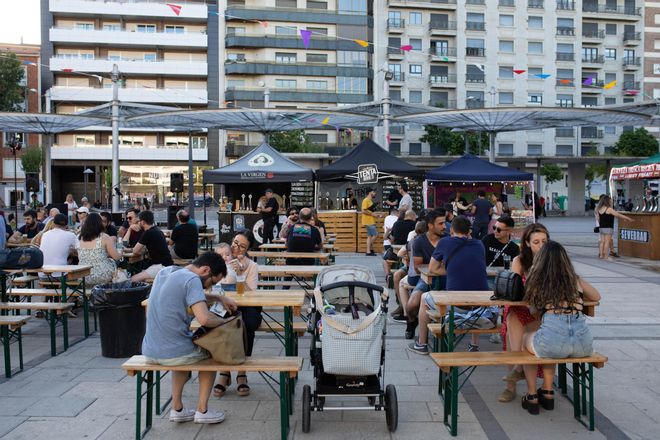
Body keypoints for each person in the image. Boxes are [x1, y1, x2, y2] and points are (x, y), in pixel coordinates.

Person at [142, 252, 235, 424]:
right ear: (205, 270)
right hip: (173, 353)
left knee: (182, 348)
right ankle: (202, 411)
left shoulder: (166, 272)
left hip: (150, 349)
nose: (208, 288)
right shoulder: (192, 280)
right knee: (211, 352)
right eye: (212, 283)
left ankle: (177, 409)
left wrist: (218, 297)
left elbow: (188, 294)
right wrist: (226, 322)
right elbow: (205, 319)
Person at [520, 241, 601, 415]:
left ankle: (532, 395)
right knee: (551, 342)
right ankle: (548, 391)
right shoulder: (574, 279)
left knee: (527, 337)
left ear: (541, 260)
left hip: (553, 344)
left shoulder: (538, 280)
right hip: (583, 346)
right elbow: (596, 296)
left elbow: (533, 311)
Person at [409, 215, 489, 355]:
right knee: (475, 289)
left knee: (424, 299)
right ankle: (474, 345)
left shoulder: (445, 242)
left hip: (457, 306)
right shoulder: (479, 244)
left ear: (452, 229)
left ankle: (422, 344)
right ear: (469, 231)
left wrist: (451, 270)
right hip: (480, 306)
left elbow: (433, 269)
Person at [498, 223, 549, 403]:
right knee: (513, 317)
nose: (541, 245)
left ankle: (529, 388)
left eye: (544, 241)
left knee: (527, 332)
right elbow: (514, 290)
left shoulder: (552, 261)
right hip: (521, 308)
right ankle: (512, 385)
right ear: (527, 243)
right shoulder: (519, 261)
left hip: (542, 312)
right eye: (536, 242)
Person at [212, 231, 260, 398]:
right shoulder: (220, 259)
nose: (236, 247)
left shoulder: (252, 266)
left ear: (247, 250)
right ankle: (224, 371)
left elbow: (252, 294)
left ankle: (241, 372)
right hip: (223, 304)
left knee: (248, 325)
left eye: (242, 246)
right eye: (235, 242)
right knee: (222, 324)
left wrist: (239, 274)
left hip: (247, 306)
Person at [401, 209, 446, 340]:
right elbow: (417, 268)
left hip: (446, 280)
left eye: (444, 223)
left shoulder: (447, 239)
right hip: (426, 280)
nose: (444, 226)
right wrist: (437, 267)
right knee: (411, 305)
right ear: (431, 225)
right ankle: (411, 322)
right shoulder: (419, 241)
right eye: (441, 224)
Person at [77, 213, 122, 286]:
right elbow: (117, 257)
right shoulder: (104, 237)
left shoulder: (79, 237)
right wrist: (121, 248)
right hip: (102, 275)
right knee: (116, 263)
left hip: (83, 276)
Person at [131, 210, 174, 282]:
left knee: (133, 279)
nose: (138, 224)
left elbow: (135, 251)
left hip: (160, 267)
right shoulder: (157, 230)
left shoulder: (148, 233)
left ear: (143, 222)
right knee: (142, 273)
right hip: (168, 265)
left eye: (139, 221)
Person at [595, 195, 632, 261]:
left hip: (601, 227)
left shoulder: (599, 209)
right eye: (610, 200)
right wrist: (627, 218)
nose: (611, 201)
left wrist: (601, 224)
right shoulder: (609, 209)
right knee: (607, 242)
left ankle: (601, 255)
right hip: (608, 228)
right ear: (607, 201)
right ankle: (606, 256)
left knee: (602, 242)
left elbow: (598, 218)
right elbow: (618, 215)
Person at [361, 187, 378, 256]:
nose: (375, 193)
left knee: (370, 236)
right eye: (373, 192)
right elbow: (363, 211)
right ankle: (368, 250)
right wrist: (372, 214)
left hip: (370, 221)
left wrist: (376, 215)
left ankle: (369, 250)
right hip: (368, 221)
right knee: (375, 235)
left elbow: (369, 211)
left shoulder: (370, 201)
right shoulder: (366, 200)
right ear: (370, 192)